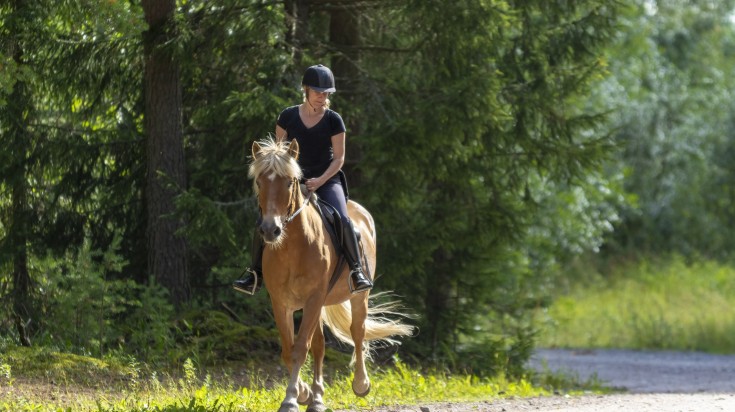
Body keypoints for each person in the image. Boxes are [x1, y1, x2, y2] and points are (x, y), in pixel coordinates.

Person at [233, 64, 373, 296]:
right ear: (305, 90)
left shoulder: (334, 120)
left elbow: (339, 159)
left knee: (342, 218)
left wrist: (319, 181)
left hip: (327, 180)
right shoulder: (287, 117)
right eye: (318, 91)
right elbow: (279, 156)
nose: (322, 97)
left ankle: (356, 271)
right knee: (264, 219)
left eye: (326, 93)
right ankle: (254, 273)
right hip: (291, 182)